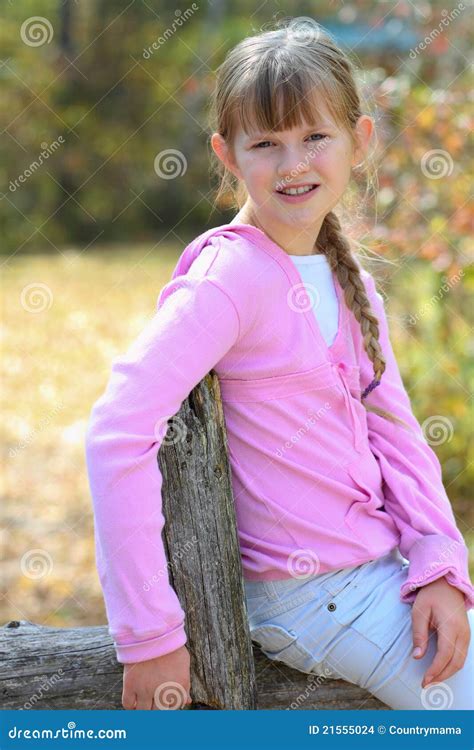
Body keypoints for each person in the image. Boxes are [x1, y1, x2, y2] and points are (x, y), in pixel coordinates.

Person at [85, 17, 474, 711]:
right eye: (266, 144)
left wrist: (439, 564)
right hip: (309, 595)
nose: (293, 164)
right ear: (227, 154)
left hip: (376, 571)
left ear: (360, 141)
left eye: (315, 137)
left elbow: (398, 434)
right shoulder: (230, 278)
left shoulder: (346, 275)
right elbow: (118, 432)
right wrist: (149, 636)